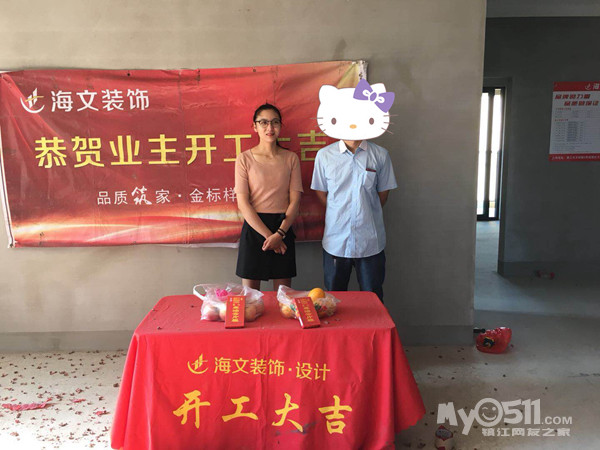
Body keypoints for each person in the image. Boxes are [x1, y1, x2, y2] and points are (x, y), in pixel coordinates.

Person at [311, 139, 397, 301]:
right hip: (336, 241)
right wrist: (338, 212)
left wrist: (365, 211)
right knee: (332, 300)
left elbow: (383, 194)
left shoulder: (380, 154)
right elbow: (321, 192)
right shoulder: (324, 155)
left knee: (372, 298)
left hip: (370, 241)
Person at [234, 104, 303, 291]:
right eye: (263, 122)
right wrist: (269, 237)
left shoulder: (291, 158)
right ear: (254, 126)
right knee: (250, 299)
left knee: (283, 297)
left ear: (280, 126)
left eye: (275, 122)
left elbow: (295, 201)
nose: (270, 128)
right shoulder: (244, 159)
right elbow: (243, 203)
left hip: (283, 226)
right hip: (254, 228)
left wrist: (279, 234)